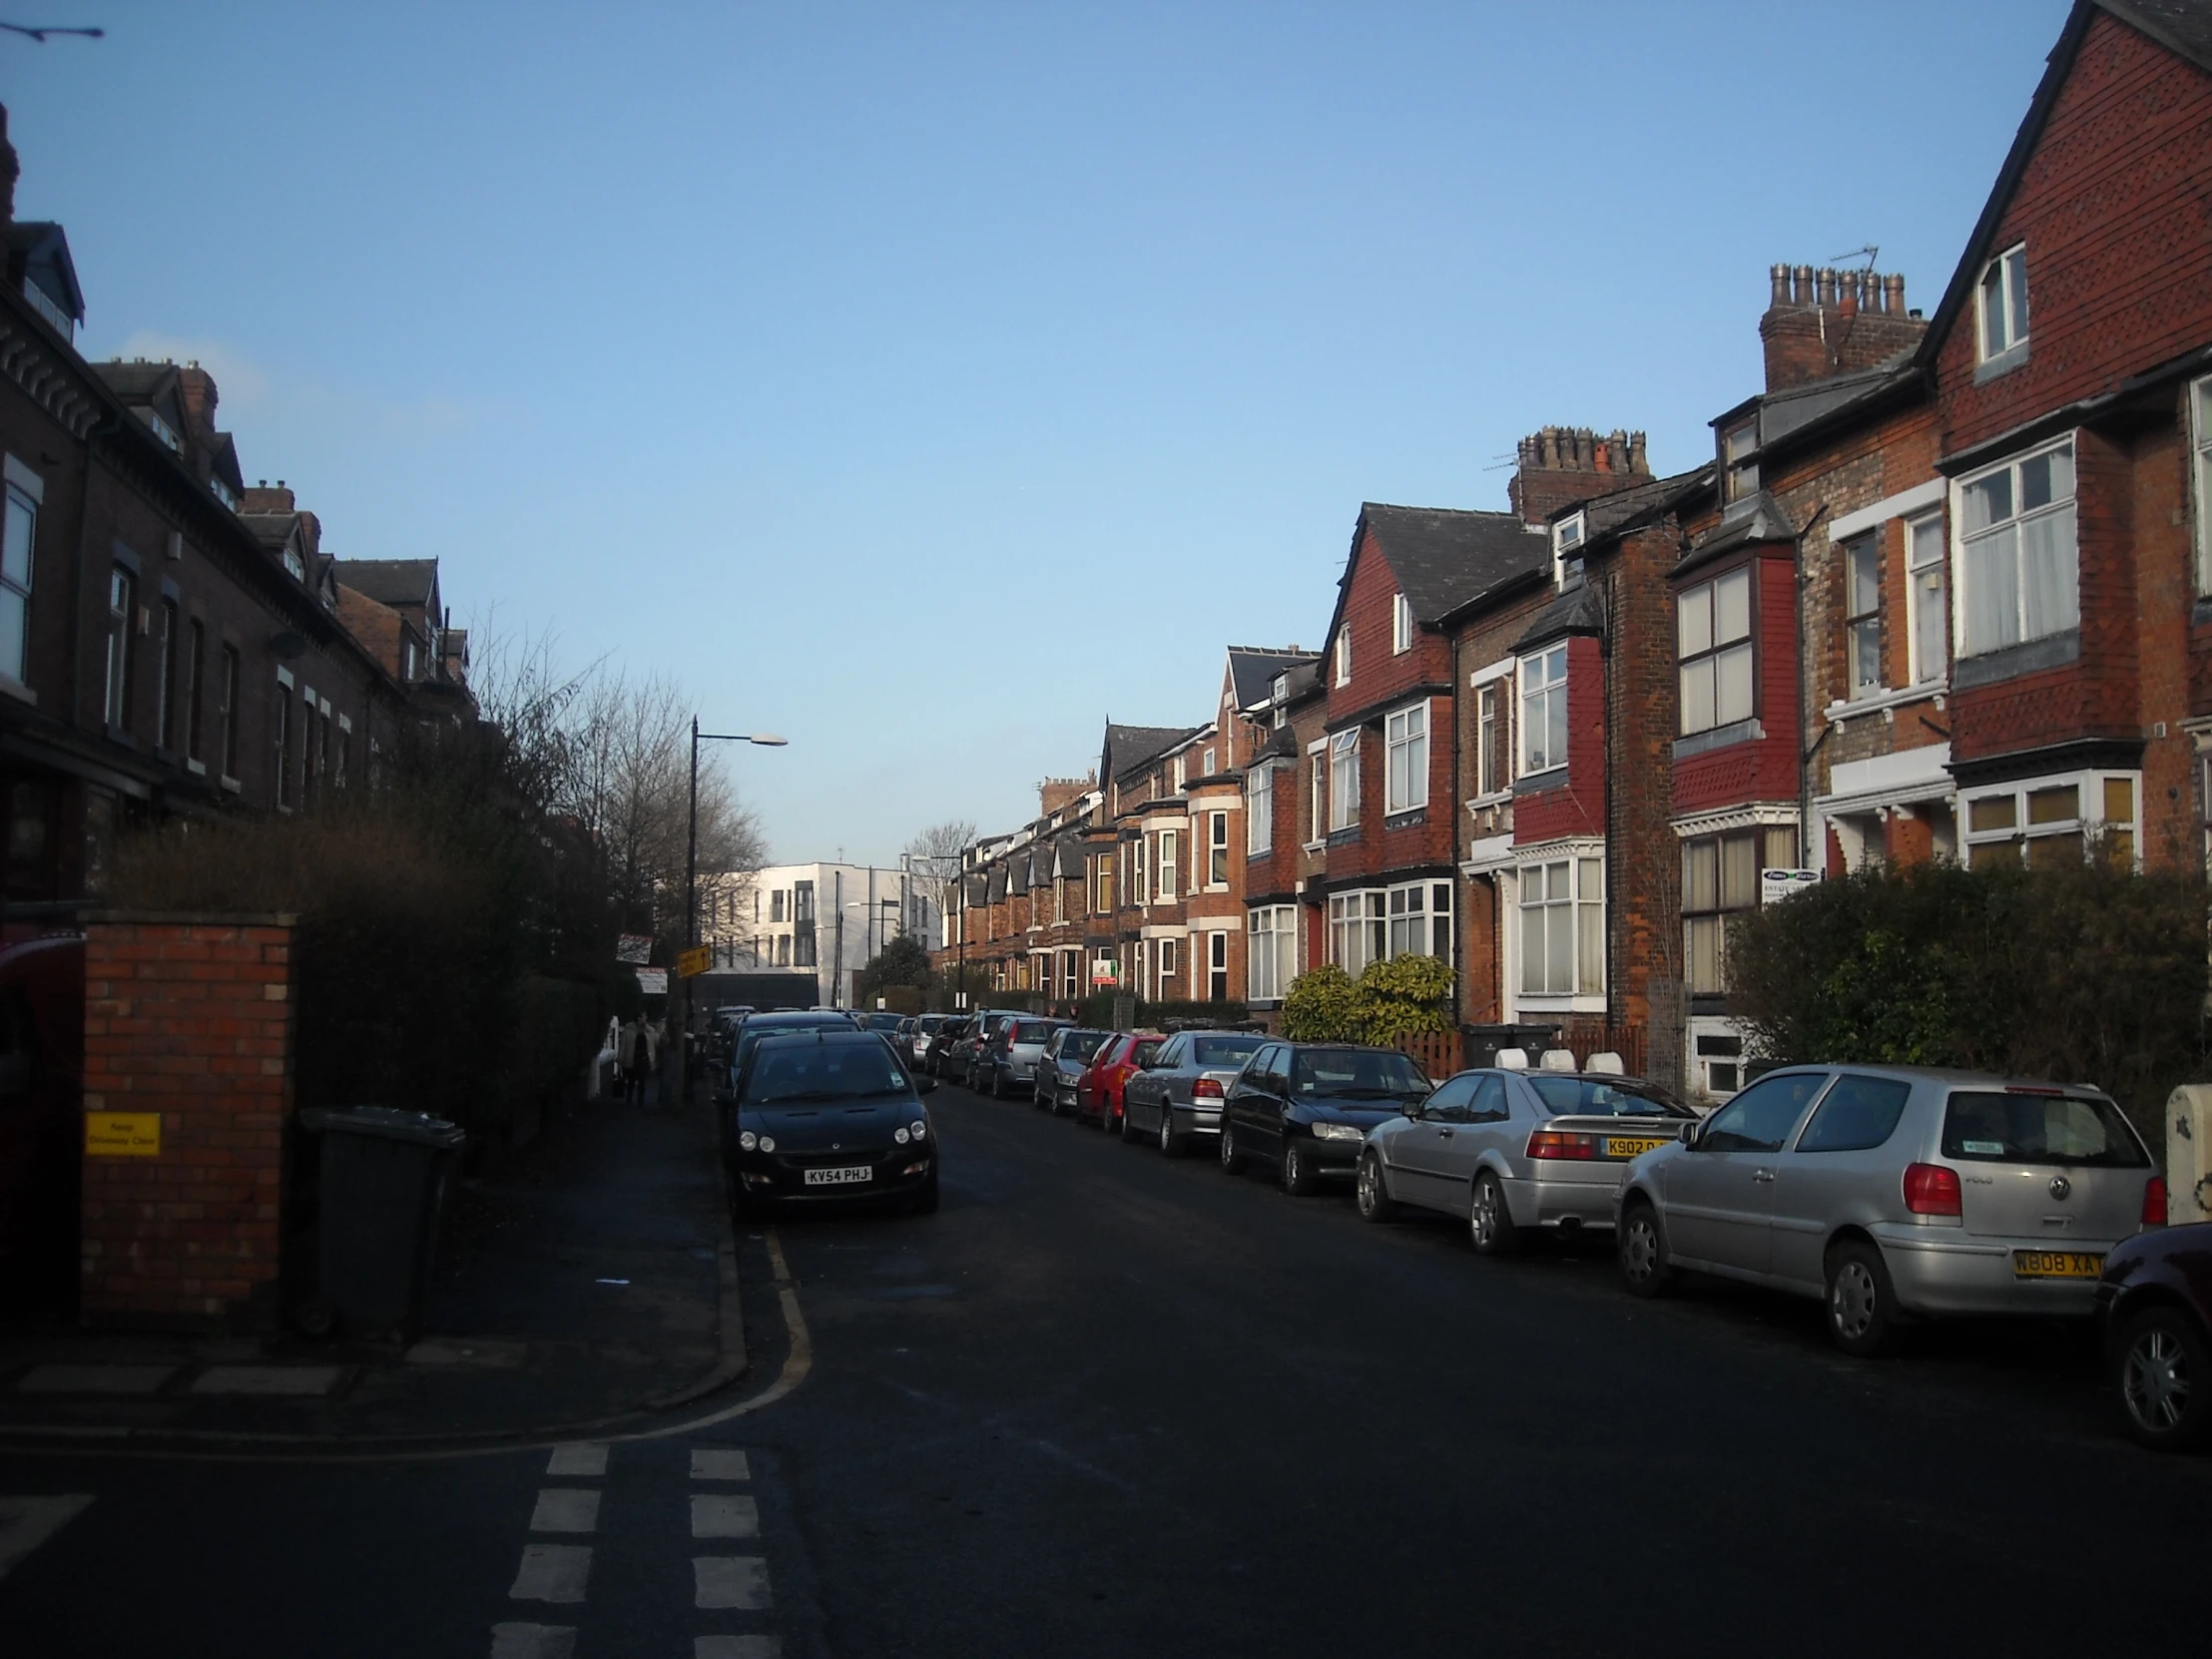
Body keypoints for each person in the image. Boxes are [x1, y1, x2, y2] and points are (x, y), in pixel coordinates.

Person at [619, 1014, 648, 1107]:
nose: (646, 1018)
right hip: (633, 1058)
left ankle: (640, 1102)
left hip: (643, 1058)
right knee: (632, 1080)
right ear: (639, 1018)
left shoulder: (648, 1029)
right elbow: (623, 1044)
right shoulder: (629, 1029)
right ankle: (629, 1100)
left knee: (642, 1081)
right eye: (644, 1016)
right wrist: (620, 1057)